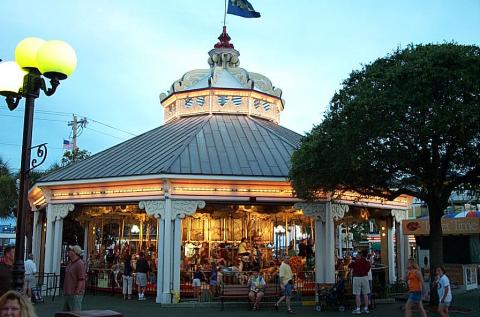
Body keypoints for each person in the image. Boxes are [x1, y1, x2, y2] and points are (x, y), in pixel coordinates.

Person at [63, 245, 86, 312]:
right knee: (66, 312)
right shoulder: (70, 263)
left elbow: (81, 279)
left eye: (71, 250)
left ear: (74, 252)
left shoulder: (80, 264)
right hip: (68, 292)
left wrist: (77, 292)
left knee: (75, 312)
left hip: (74, 294)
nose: (69, 252)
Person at [348, 250, 371, 314]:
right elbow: (368, 268)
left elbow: (349, 266)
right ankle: (366, 308)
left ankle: (358, 309)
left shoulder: (355, 262)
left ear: (359, 255)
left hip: (356, 278)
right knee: (365, 293)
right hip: (365, 278)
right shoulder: (366, 262)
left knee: (357, 294)